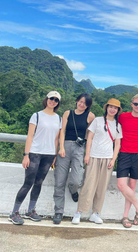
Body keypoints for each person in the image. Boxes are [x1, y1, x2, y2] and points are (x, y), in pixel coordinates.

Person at [8, 91, 62, 225]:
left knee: (39, 182)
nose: (53, 101)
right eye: (51, 98)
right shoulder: (37, 116)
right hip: (35, 153)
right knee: (28, 182)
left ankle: (31, 210)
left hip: (48, 155)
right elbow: (30, 136)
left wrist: (54, 156)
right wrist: (26, 155)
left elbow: (56, 139)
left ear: (58, 103)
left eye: (56, 100)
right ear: (46, 99)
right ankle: (14, 212)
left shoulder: (59, 119)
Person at [72, 98, 123, 225]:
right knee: (88, 185)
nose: (112, 109)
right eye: (110, 106)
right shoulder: (97, 121)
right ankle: (79, 212)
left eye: (115, 108)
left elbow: (117, 144)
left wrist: (113, 159)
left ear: (117, 110)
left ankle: (95, 213)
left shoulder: (118, 125)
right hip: (94, 156)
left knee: (101, 187)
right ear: (106, 107)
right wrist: (87, 155)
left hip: (107, 159)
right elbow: (89, 138)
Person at [53, 93, 95, 224]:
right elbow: (62, 131)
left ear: (88, 105)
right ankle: (58, 212)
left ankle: (73, 189)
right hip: (65, 146)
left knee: (77, 179)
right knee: (59, 181)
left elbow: (89, 135)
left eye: (85, 103)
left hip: (79, 149)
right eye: (80, 101)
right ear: (77, 101)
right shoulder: (67, 113)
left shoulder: (90, 116)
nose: (82, 104)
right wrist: (61, 147)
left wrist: (86, 152)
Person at [117, 94, 138, 228]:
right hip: (124, 153)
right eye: (136, 104)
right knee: (121, 185)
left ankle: (126, 216)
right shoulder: (123, 117)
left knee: (131, 187)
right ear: (132, 104)